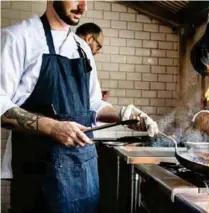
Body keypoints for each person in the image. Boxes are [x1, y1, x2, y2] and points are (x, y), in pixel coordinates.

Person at [0, 1, 158, 213]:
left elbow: (92, 104)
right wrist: (53, 127)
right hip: (38, 175)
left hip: (84, 171)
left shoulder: (81, 48)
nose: (83, 6)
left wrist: (123, 114)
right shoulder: (19, 37)